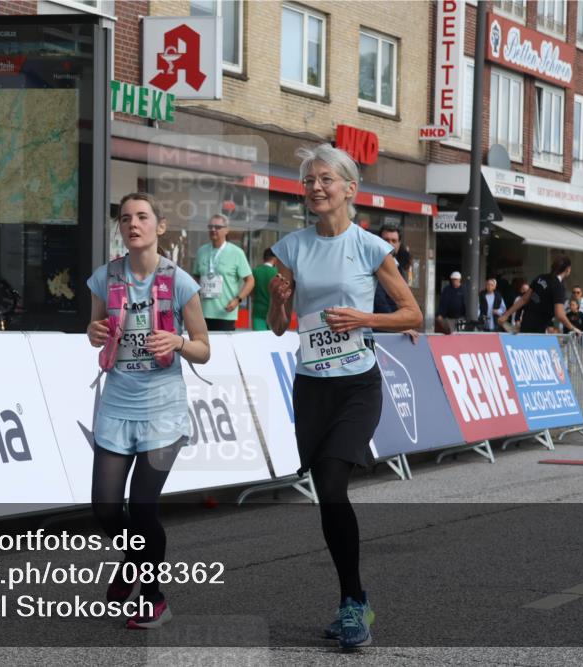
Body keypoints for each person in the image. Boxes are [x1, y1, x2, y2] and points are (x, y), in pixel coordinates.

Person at [267, 144, 422, 649]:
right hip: (313, 385)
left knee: (333, 485)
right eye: (309, 180)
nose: (315, 188)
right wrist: (277, 302)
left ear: (350, 189)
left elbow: (412, 315)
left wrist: (364, 319)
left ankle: (353, 603)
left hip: (358, 382)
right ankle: (353, 597)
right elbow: (277, 328)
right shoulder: (290, 247)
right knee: (326, 494)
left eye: (325, 179)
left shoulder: (371, 247)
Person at [86, 193, 211, 629]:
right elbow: (94, 331)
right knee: (103, 507)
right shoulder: (106, 277)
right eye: (125, 218)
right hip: (118, 405)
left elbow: (204, 349)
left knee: (142, 508)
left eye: (142, 217)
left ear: (159, 227)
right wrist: (95, 330)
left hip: (163, 409)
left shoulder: (180, 282)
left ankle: (154, 597)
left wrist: (177, 342)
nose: (133, 224)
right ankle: (132, 560)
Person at [193, 214, 254, 331]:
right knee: (203, 348)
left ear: (226, 230)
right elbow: (195, 277)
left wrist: (238, 300)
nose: (213, 230)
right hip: (202, 313)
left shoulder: (237, 253)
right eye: (210, 227)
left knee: (222, 349)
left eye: (217, 227)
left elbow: (250, 281)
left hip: (225, 313)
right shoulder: (201, 251)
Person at [499, 256, 582, 337]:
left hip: (526, 322)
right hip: (538, 330)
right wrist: (573, 328)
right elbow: (559, 314)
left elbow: (524, 299)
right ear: (568, 269)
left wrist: (506, 315)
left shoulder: (541, 277)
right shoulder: (558, 286)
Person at [250, 248, 279, 331]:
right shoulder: (277, 273)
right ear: (274, 259)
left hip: (258, 309)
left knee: (259, 339)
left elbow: (251, 291)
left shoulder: (255, 271)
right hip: (273, 310)